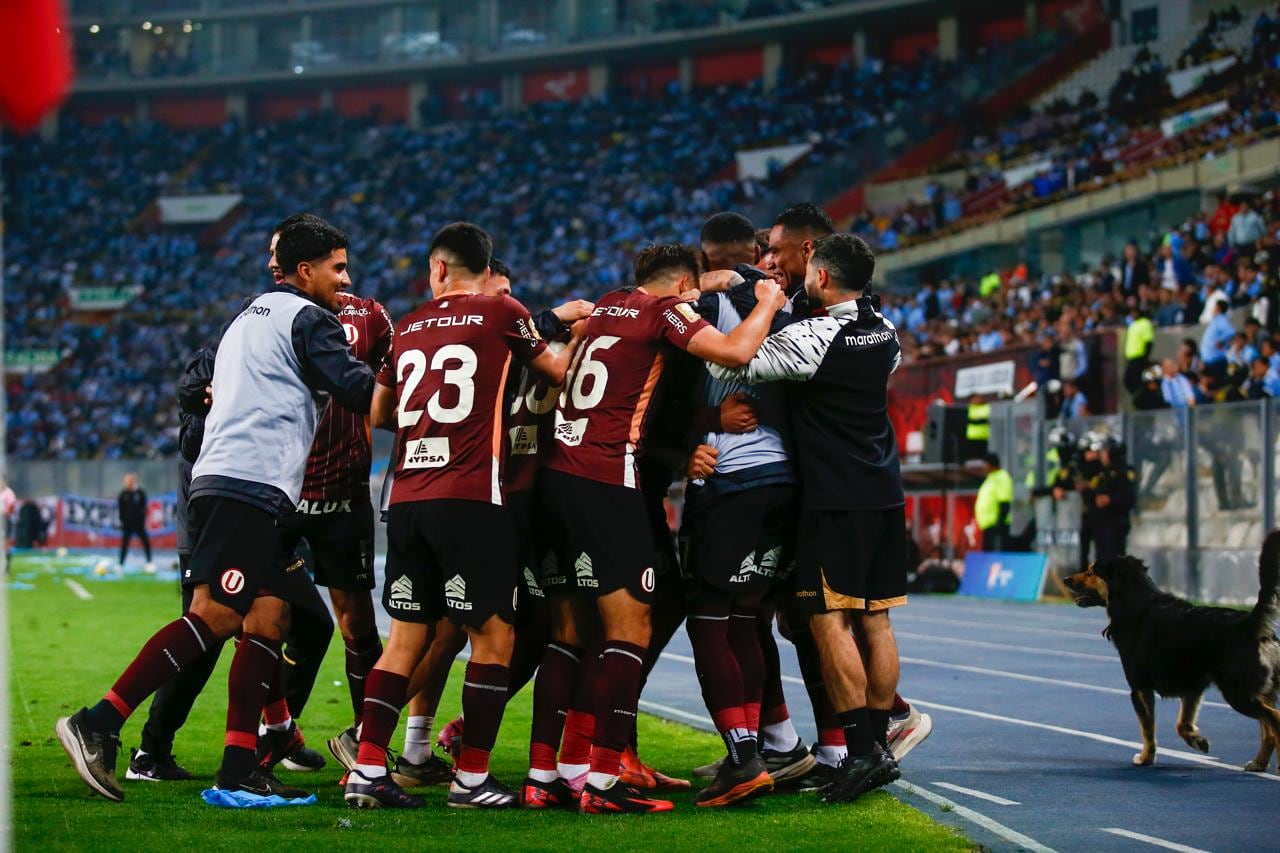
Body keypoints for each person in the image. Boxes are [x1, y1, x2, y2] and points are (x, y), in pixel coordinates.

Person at [57, 215, 377, 802]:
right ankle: (99, 722)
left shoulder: (246, 315)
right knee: (216, 616)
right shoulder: (311, 319)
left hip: (228, 482)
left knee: (267, 619)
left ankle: (239, 764)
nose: (346, 279)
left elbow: (196, 390)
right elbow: (359, 392)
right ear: (306, 271)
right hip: (248, 484)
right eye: (337, 267)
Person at [538, 243, 785, 814]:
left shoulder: (606, 305)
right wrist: (767, 301)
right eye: (692, 294)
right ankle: (604, 781)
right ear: (680, 289)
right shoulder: (664, 312)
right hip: (607, 479)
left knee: (575, 630)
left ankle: (555, 769)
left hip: (558, 476)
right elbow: (735, 351)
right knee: (632, 626)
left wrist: (715, 278)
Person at [342, 223, 577, 811]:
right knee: (493, 634)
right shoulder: (502, 312)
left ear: (439, 269)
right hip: (473, 496)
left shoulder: (410, 324)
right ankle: (472, 778)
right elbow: (557, 374)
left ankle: (368, 768)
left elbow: (378, 411)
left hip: (407, 497)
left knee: (405, 640)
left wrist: (431, 424)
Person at [707, 233, 907, 804]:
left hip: (834, 496)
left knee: (828, 621)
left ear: (819, 277)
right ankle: (878, 748)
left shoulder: (811, 337)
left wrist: (765, 301)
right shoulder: (885, 332)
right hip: (884, 491)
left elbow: (739, 358)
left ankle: (862, 752)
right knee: (877, 621)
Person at [1089, 438, 1137, 561]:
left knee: (1114, 558)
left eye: (1105, 451)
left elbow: (1129, 497)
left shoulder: (1125, 472)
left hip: (1116, 522)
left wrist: (1110, 499)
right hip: (1101, 522)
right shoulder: (1103, 471)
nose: (1101, 454)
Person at [974, 453, 1014, 552]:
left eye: (984, 464)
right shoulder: (991, 478)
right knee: (988, 555)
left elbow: (1004, 501)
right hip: (988, 525)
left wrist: (999, 523)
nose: (982, 467)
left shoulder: (1002, 477)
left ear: (991, 464)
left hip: (996, 525)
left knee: (995, 556)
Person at [116, 474, 152, 570]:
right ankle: (121, 564)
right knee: (124, 544)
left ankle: (149, 562)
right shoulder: (123, 494)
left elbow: (144, 508)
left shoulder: (140, 493)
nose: (126, 483)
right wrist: (121, 520)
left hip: (139, 524)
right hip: (127, 524)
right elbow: (121, 509)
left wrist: (144, 521)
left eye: (128, 481)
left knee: (145, 542)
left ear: (133, 481)